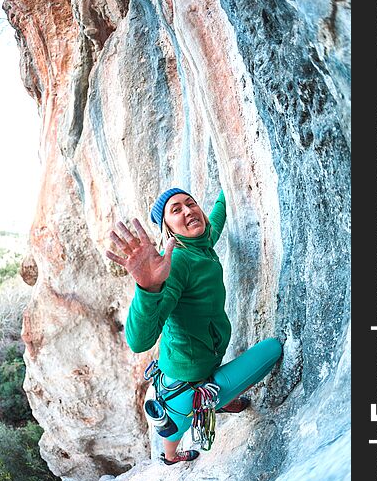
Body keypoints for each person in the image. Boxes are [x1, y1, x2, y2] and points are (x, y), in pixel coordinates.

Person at [106, 188, 282, 465]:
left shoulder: (201, 242)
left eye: (191, 204)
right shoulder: (177, 262)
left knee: (189, 399)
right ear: (168, 229)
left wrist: (228, 185)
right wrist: (148, 287)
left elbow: (217, 218)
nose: (188, 211)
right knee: (272, 350)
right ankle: (171, 456)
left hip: (198, 359)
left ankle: (218, 401)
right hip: (186, 381)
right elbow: (139, 341)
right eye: (176, 210)